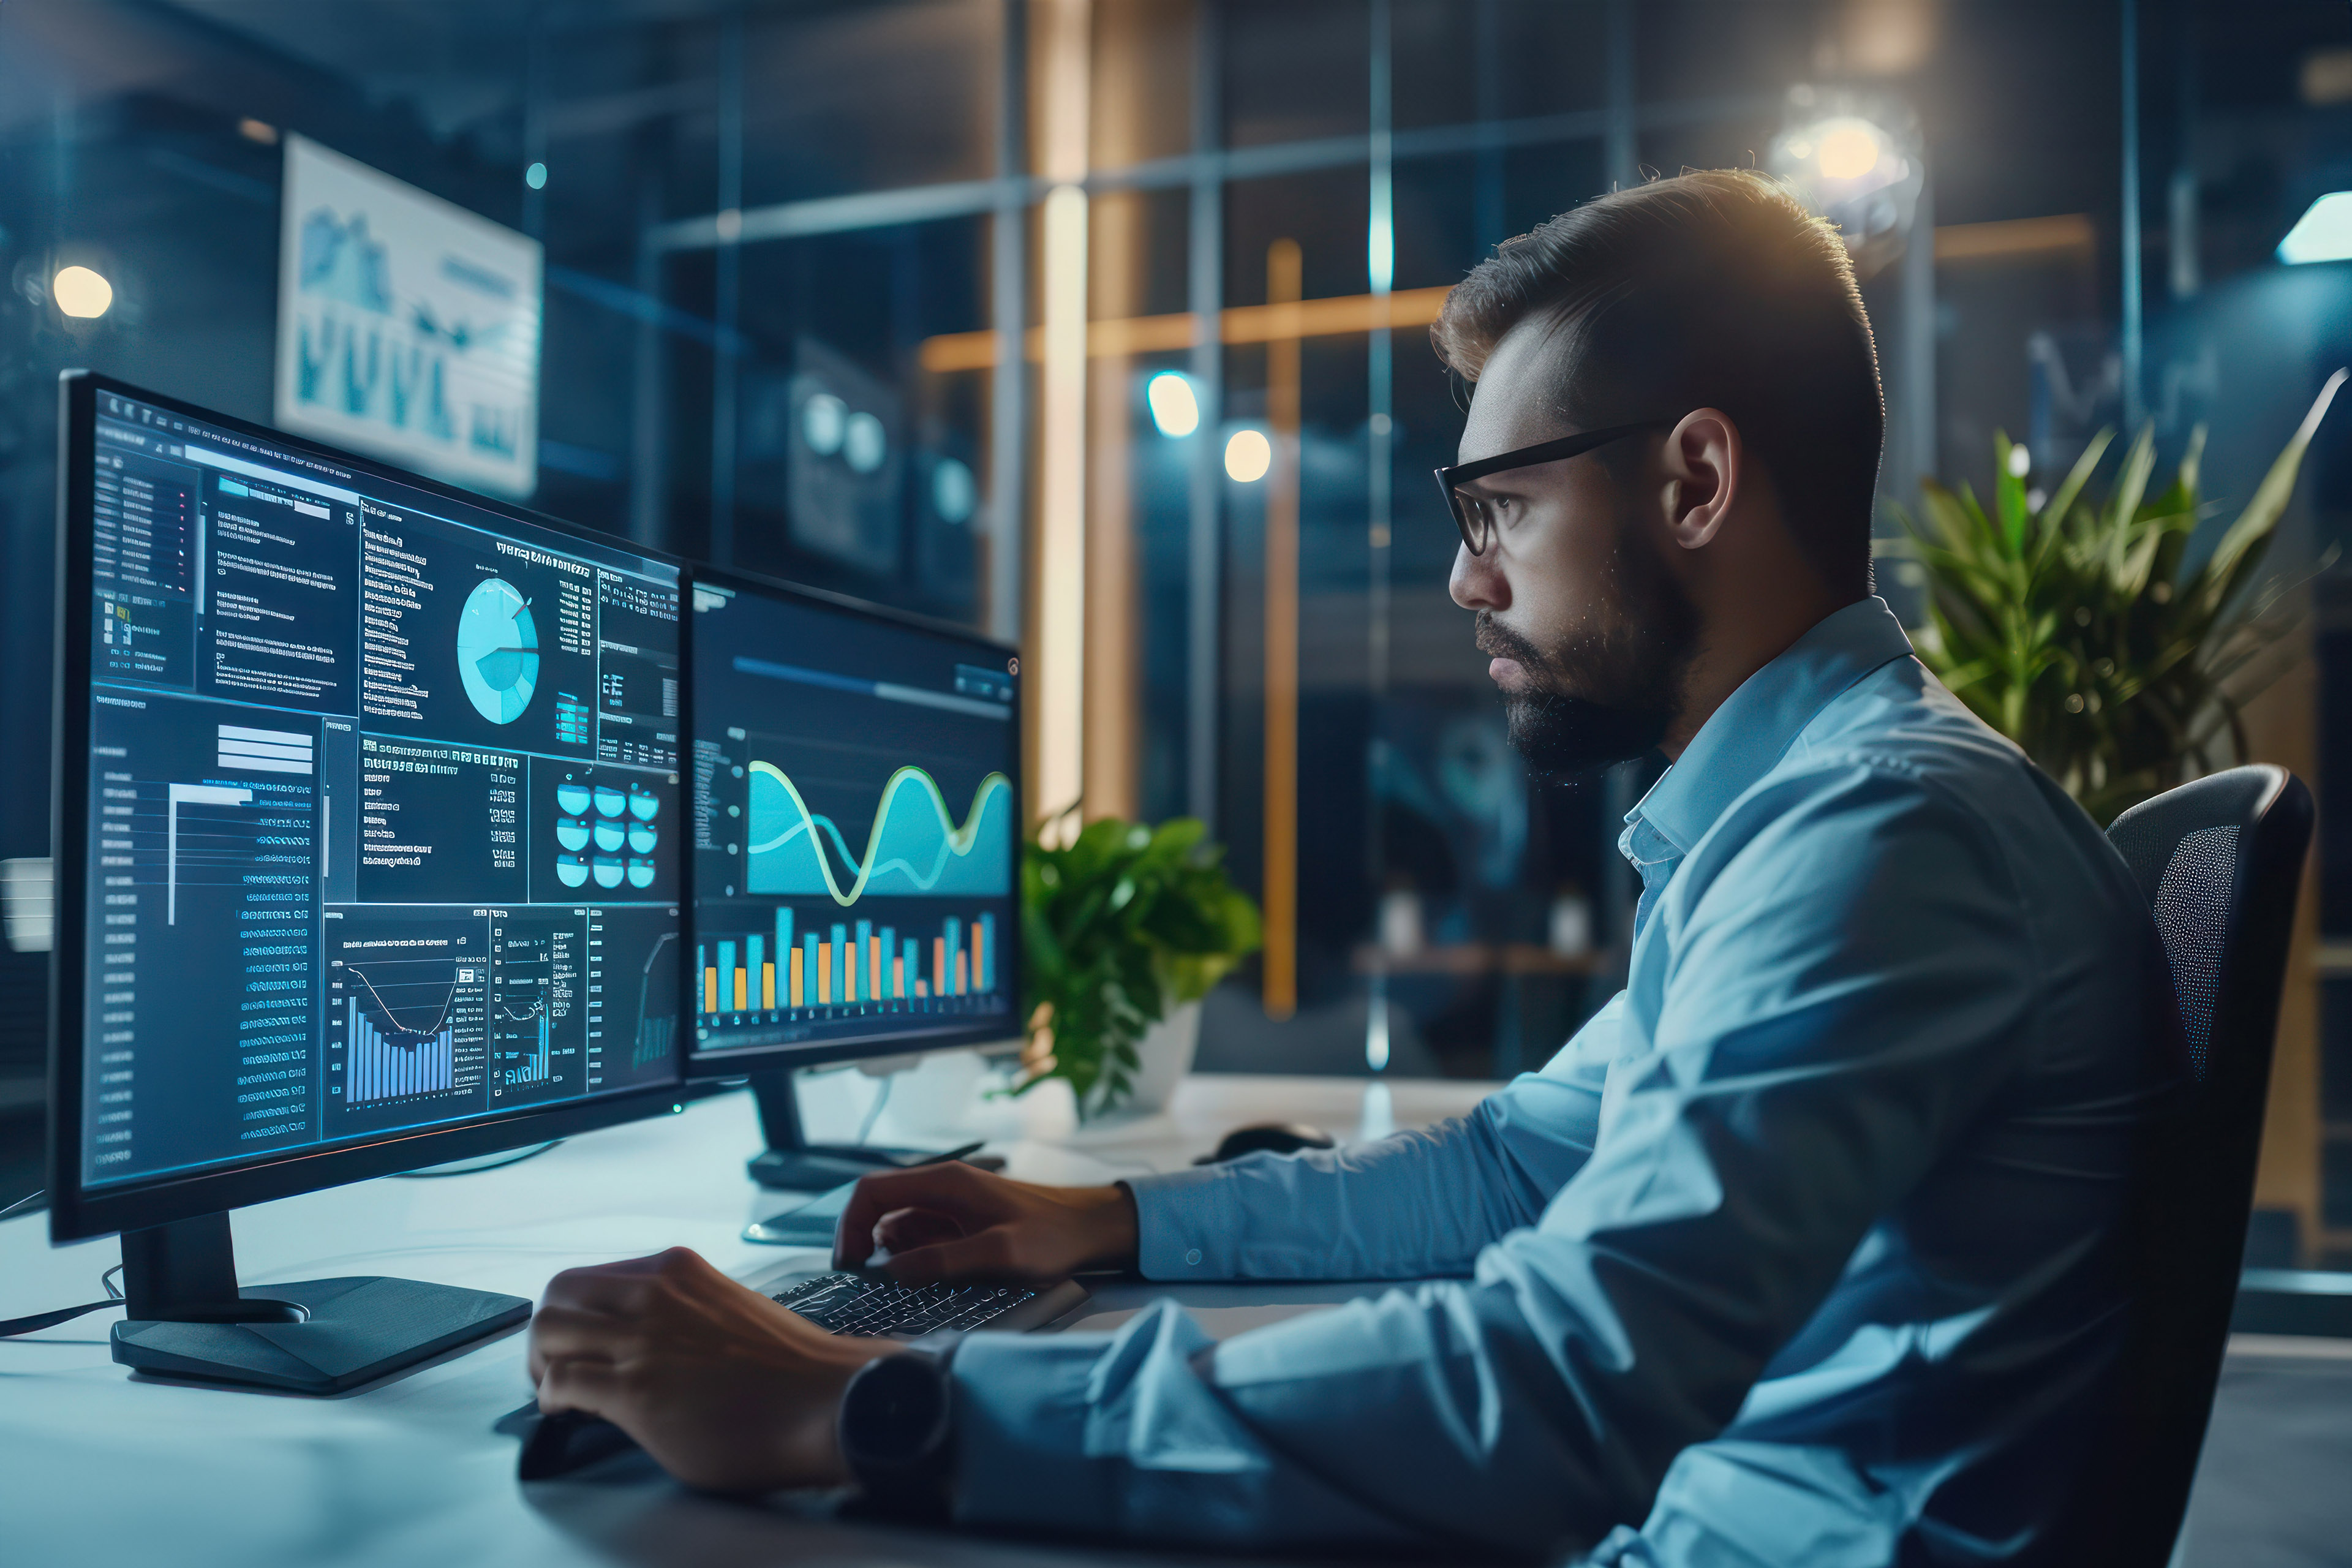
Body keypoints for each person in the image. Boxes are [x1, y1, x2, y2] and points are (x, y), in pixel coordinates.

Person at [527, 170, 2170, 1564]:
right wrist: (1095, 1219)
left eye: (1499, 508)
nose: (1467, 581)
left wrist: (852, 1403)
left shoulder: (1880, 835)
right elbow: (1520, 1172)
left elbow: (1557, 1398)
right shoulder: (1818, 815)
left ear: (1694, 481)